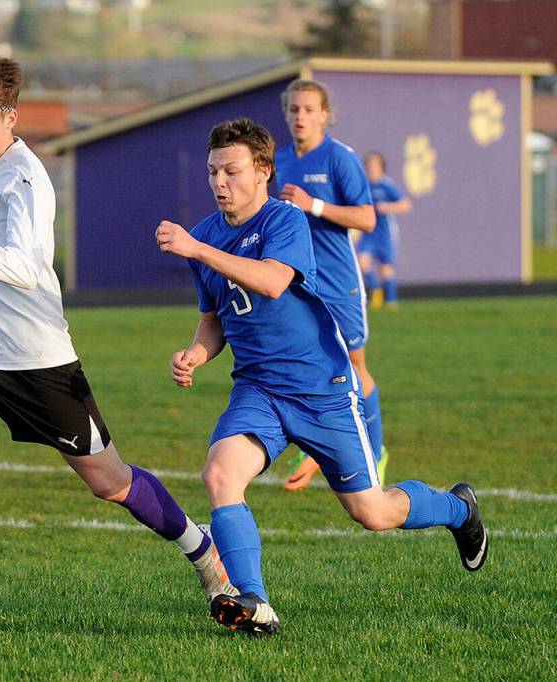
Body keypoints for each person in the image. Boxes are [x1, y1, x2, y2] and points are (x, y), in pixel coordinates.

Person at [0, 53, 232, 618]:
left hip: (36, 363)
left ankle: (202, 552)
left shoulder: (29, 183)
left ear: (11, 118)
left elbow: (28, 266)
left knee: (110, 482)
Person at [154, 117, 488, 636]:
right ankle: (254, 602)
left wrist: (197, 250)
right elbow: (214, 318)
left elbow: (270, 281)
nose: (220, 182)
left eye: (232, 171)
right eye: (212, 172)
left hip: (322, 390)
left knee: (373, 512)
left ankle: (456, 508)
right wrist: (196, 353)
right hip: (259, 389)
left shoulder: (284, 221)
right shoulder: (206, 236)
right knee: (220, 474)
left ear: (263, 170)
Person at [274, 79, 387, 491]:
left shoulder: (340, 158)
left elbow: (367, 219)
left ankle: (375, 453)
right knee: (306, 363)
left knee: (355, 367)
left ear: (324, 114)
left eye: (308, 109)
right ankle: (314, 449)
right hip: (298, 282)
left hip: (338, 282)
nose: (300, 116)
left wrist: (314, 204)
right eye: (293, 110)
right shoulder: (280, 160)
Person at [358, 151, 412, 310]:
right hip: (368, 232)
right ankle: (375, 289)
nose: (371, 168)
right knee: (363, 263)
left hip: (385, 233)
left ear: (381, 166)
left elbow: (405, 205)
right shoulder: (364, 185)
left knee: (386, 269)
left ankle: (391, 302)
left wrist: (387, 207)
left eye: (374, 164)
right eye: (369, 164)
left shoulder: (387, 185)